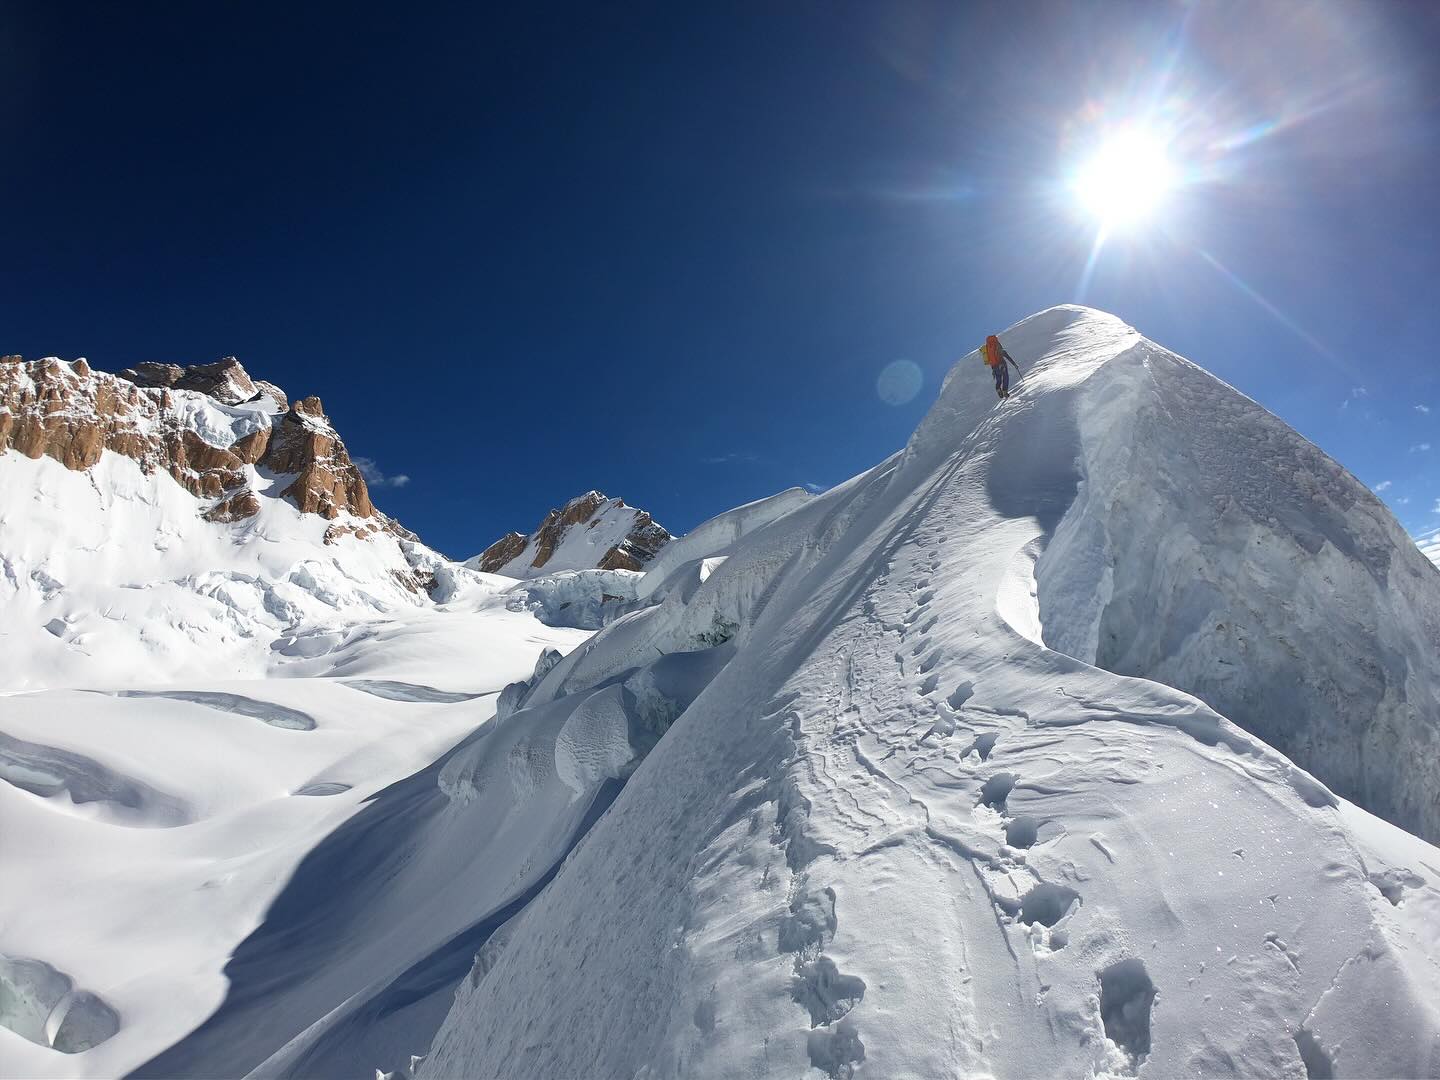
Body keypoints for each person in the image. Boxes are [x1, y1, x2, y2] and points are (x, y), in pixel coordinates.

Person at [982, 334, 1021, 399]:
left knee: (998, 379)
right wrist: (1014, 364)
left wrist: (993, 369)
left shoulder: (988, 348)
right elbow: (1006, 355)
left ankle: (998, 388)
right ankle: (1005, 392)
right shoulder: (997, 345)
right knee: (1006, 377)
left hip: (994, 368)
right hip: (1002, 365)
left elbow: (990, 360)